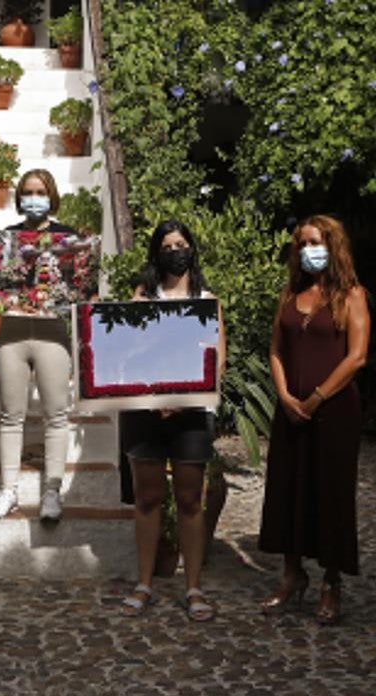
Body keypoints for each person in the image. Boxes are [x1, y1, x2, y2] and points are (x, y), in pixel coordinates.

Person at [257, 215, 370, 625]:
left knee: (331, 491)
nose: (308, 250)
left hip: (334, 411)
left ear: (333, 246)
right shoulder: (290, 293)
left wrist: (318, 396)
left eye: (316, 242)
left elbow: (357, 356)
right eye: (302, 244)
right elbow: (275, 348)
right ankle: (292, 573)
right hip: (290, 409)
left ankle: (331, 580)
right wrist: (285, 394)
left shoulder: (351, 294)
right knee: (288, 487)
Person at [119, 220, 225, 622]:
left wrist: (181, 400)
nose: (175, 252)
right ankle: (144, 583)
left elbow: (217, 360)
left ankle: (193, 586)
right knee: (147, 498)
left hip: (192, 413)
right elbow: (126, 351)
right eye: (167, 246)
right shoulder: (142, 297)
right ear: (156, 253)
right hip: (145, 411)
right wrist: (155, 398)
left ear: (192, 249)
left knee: (190, 500)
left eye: (181, 245)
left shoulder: (207, 300)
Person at [0, 168, 77, 521]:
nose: (34, 198)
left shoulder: (69, 238)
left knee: (56, 414)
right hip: (12, 332)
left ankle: (52, 492)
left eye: (40, 192)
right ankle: (8, 490)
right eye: (27, 192)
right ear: (19, 197)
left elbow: (77, 286)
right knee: (11, 415)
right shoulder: (4, 238)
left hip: (53, 333)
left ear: (51, 196)